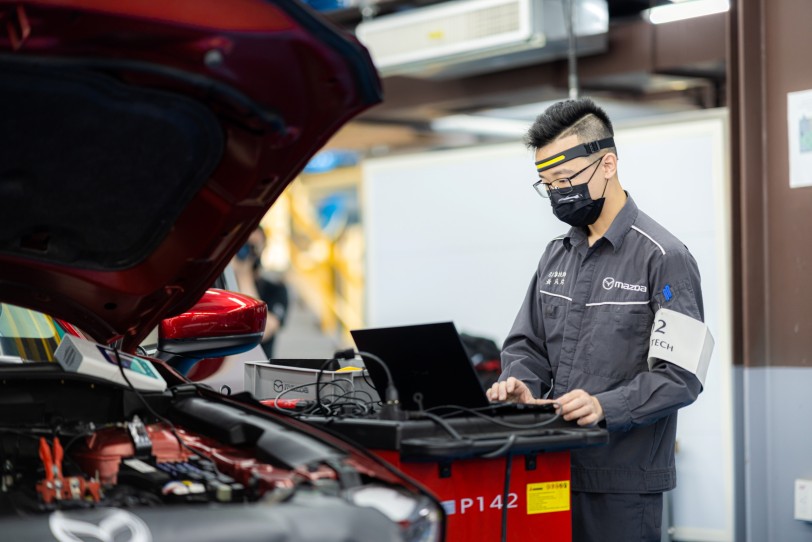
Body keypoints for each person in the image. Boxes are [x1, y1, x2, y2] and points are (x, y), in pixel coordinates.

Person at [486, 98, 713, 542]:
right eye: (547, 183)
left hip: (621, 486)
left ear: (607, 164)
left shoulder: (664, 258)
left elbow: (681, 376)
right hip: (551, 469)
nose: (557, 192)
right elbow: (525, 346)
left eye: (566, 178)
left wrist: (603, 407)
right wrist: (521, 382)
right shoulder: (556, 254)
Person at [231, 227, 289, 359]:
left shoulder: (275, 289)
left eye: (253, 246)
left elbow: (263, 331)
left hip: (258, 366)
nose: (246, 252)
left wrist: (244, 276)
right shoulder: (221, 286)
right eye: (243, 245)